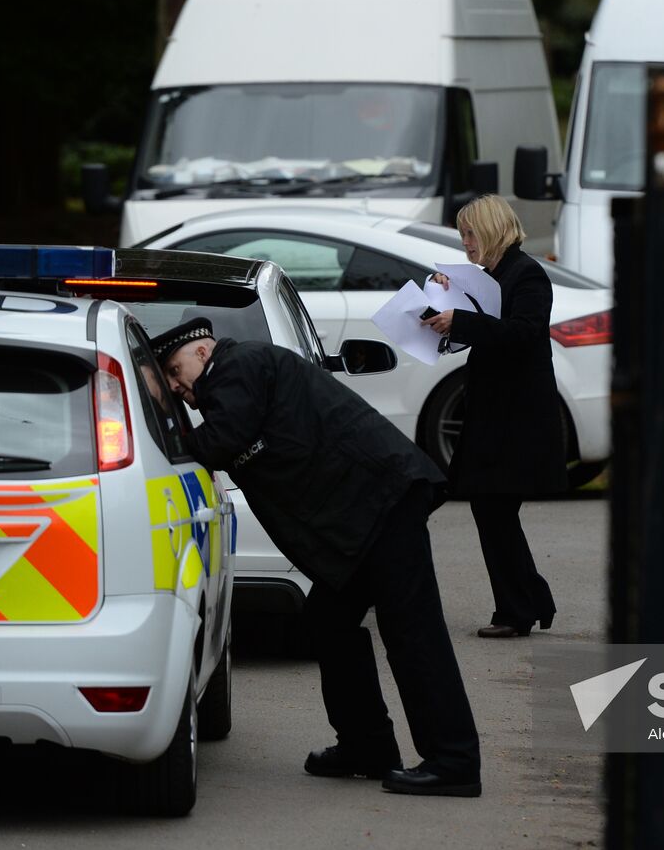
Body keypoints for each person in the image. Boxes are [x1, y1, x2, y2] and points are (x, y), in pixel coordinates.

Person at [151, 316, 482, 798]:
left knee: (413, 633)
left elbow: (222, 438)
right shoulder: (237, 372)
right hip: (364, 516)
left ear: (202, 353)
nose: (179, 387)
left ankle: (454, 761)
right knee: (328, 619)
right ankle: (366, 746)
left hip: (381, 504)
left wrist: (161, 433)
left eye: (176, 372)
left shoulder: (236, 365)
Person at [423, 194, 566, 639]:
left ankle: (516, 611)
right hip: (494, 415)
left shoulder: (527, 274)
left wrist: (460, 321)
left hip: (517, 419)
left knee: (494, 509)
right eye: (462, 234)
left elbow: (523, 332)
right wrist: (441, 300)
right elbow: (487, 326)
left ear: (490, 230)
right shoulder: (494, 275)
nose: (465, 243)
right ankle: (530, 600)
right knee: (492, 510)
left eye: (470, 233)